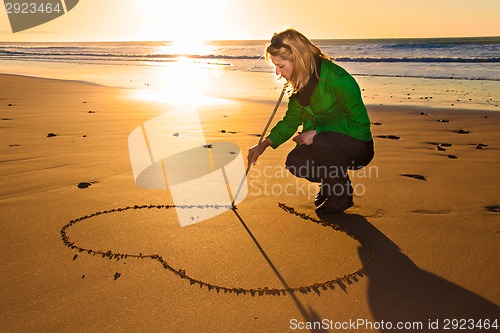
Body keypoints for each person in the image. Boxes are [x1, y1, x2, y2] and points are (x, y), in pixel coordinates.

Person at [248, 28, 374, 214]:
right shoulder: (299, 86)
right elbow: (290, 122)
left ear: (297, 59)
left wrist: (318, 132)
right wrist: (265, 143)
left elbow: (360, 127)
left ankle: (341, 196)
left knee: (323, 141)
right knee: (295, 161)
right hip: (325, 146)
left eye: (281, 66)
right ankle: (331, 181)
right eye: (276, 66)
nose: (278, 72)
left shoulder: (340, 80)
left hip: (357, 146)